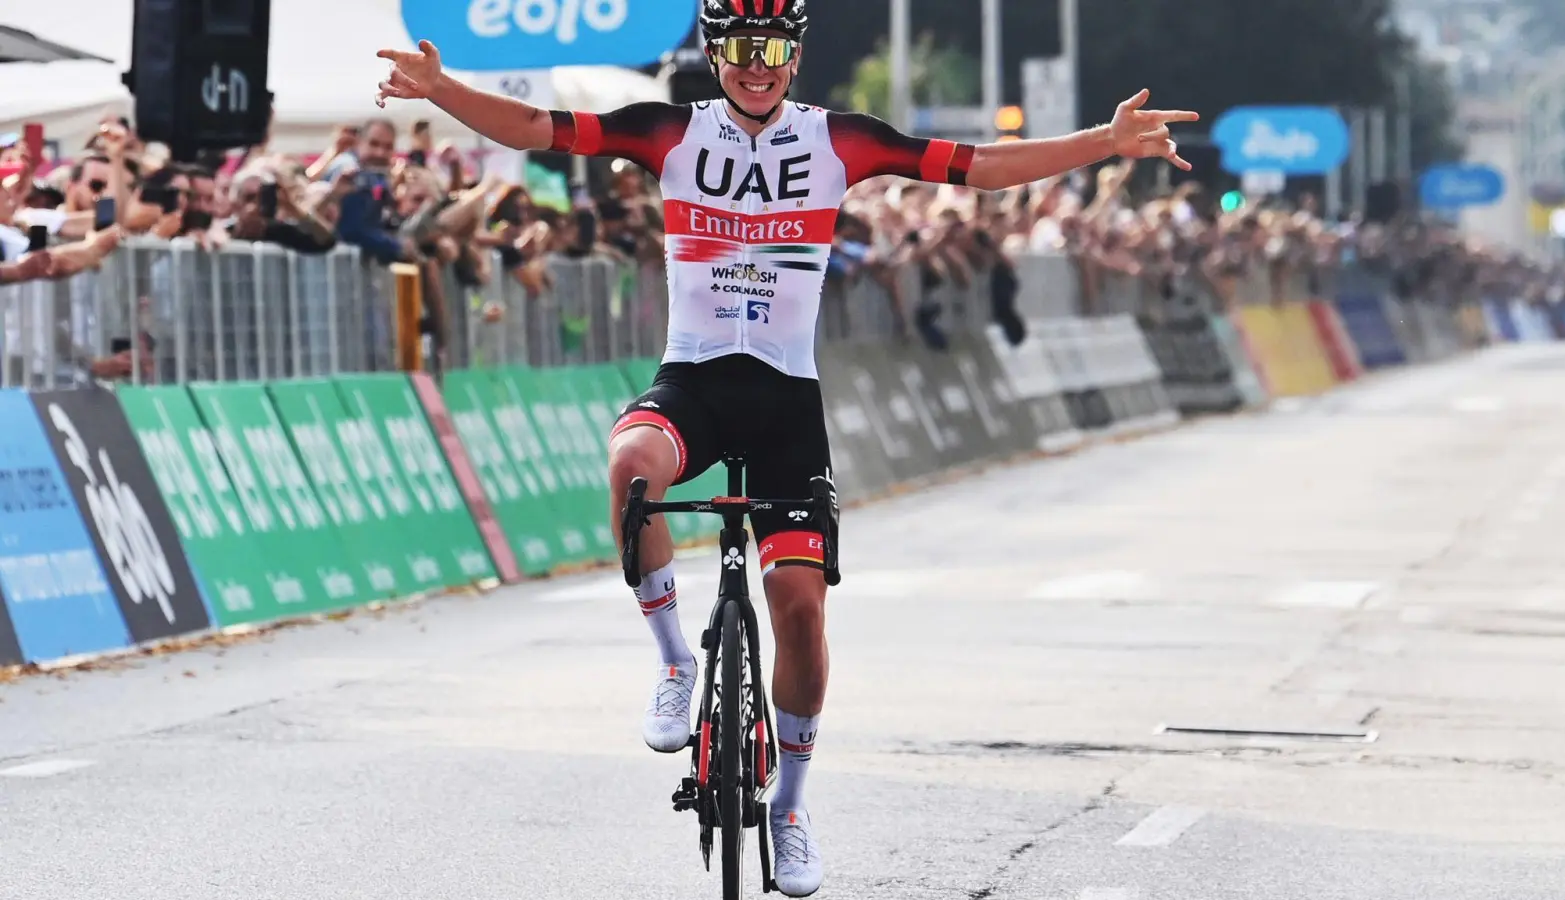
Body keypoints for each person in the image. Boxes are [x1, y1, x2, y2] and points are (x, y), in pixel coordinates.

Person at [376, 1, 1195, 894]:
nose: (755, 67)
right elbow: (538, 129)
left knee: (799, 607)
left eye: (772, 49)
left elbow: (983, 167)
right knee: (629, 468)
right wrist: (444, 90)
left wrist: (1104, 143)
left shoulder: (841, 140)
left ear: (795, 53)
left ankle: (793, 804)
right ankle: (675, 662)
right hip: (693, 381)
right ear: (714, 53)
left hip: (783, 402)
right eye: (738, 49)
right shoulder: (668, 131)